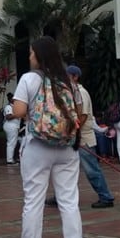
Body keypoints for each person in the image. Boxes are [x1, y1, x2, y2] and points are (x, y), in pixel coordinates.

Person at [13, 37, 95, 238]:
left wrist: (31, 113)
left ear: (39, 56)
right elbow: (78, 114)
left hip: (37, 145)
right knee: (69, 201)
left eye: (31, 53)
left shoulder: (29, 79)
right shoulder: (67, 81)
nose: (29, 57)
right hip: (66, 148)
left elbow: (18, 110)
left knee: (33, 202)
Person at [46, 65, 115, 209]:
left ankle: (106, 196)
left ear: (75, 77)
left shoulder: (81, 93)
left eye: (67, 76)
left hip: (83, 137)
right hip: (73, 137)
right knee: (63, 168)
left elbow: (82, 116)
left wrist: (73, 131)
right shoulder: (70, 92)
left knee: (91, 169)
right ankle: (60, 196)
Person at [3, 92, 21, 165]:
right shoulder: (9, 107)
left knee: (13, 143)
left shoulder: (14, 107)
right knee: (11, 143)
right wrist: (17, 114)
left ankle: (11, 159)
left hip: (14, 126)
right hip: (10, 126)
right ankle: (9, 161)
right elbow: (8, 117)